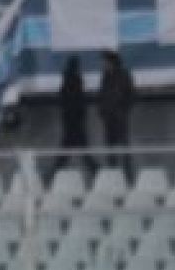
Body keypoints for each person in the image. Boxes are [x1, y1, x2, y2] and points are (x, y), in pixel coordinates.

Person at [97, 49, 135, 181]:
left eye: (105, 62)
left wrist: (123, 109)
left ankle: (129, 179)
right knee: (110, 150)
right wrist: (102, 111)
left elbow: (131, 95)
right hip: (108, 119)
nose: (103, 64)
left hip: (120, 118)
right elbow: (102, 95)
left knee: (124, 150)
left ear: (111, 62)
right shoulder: (105, 76)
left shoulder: (123, 75)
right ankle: (113, 178)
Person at [56, 55, 91, 178]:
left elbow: (63, 99)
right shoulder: (76, 80)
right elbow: (79, 100)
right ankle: (96, 171)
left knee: (66, 149)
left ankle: (54, 173)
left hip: (69, 119)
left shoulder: (66, 80)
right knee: (83, 149)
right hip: (76, 119)